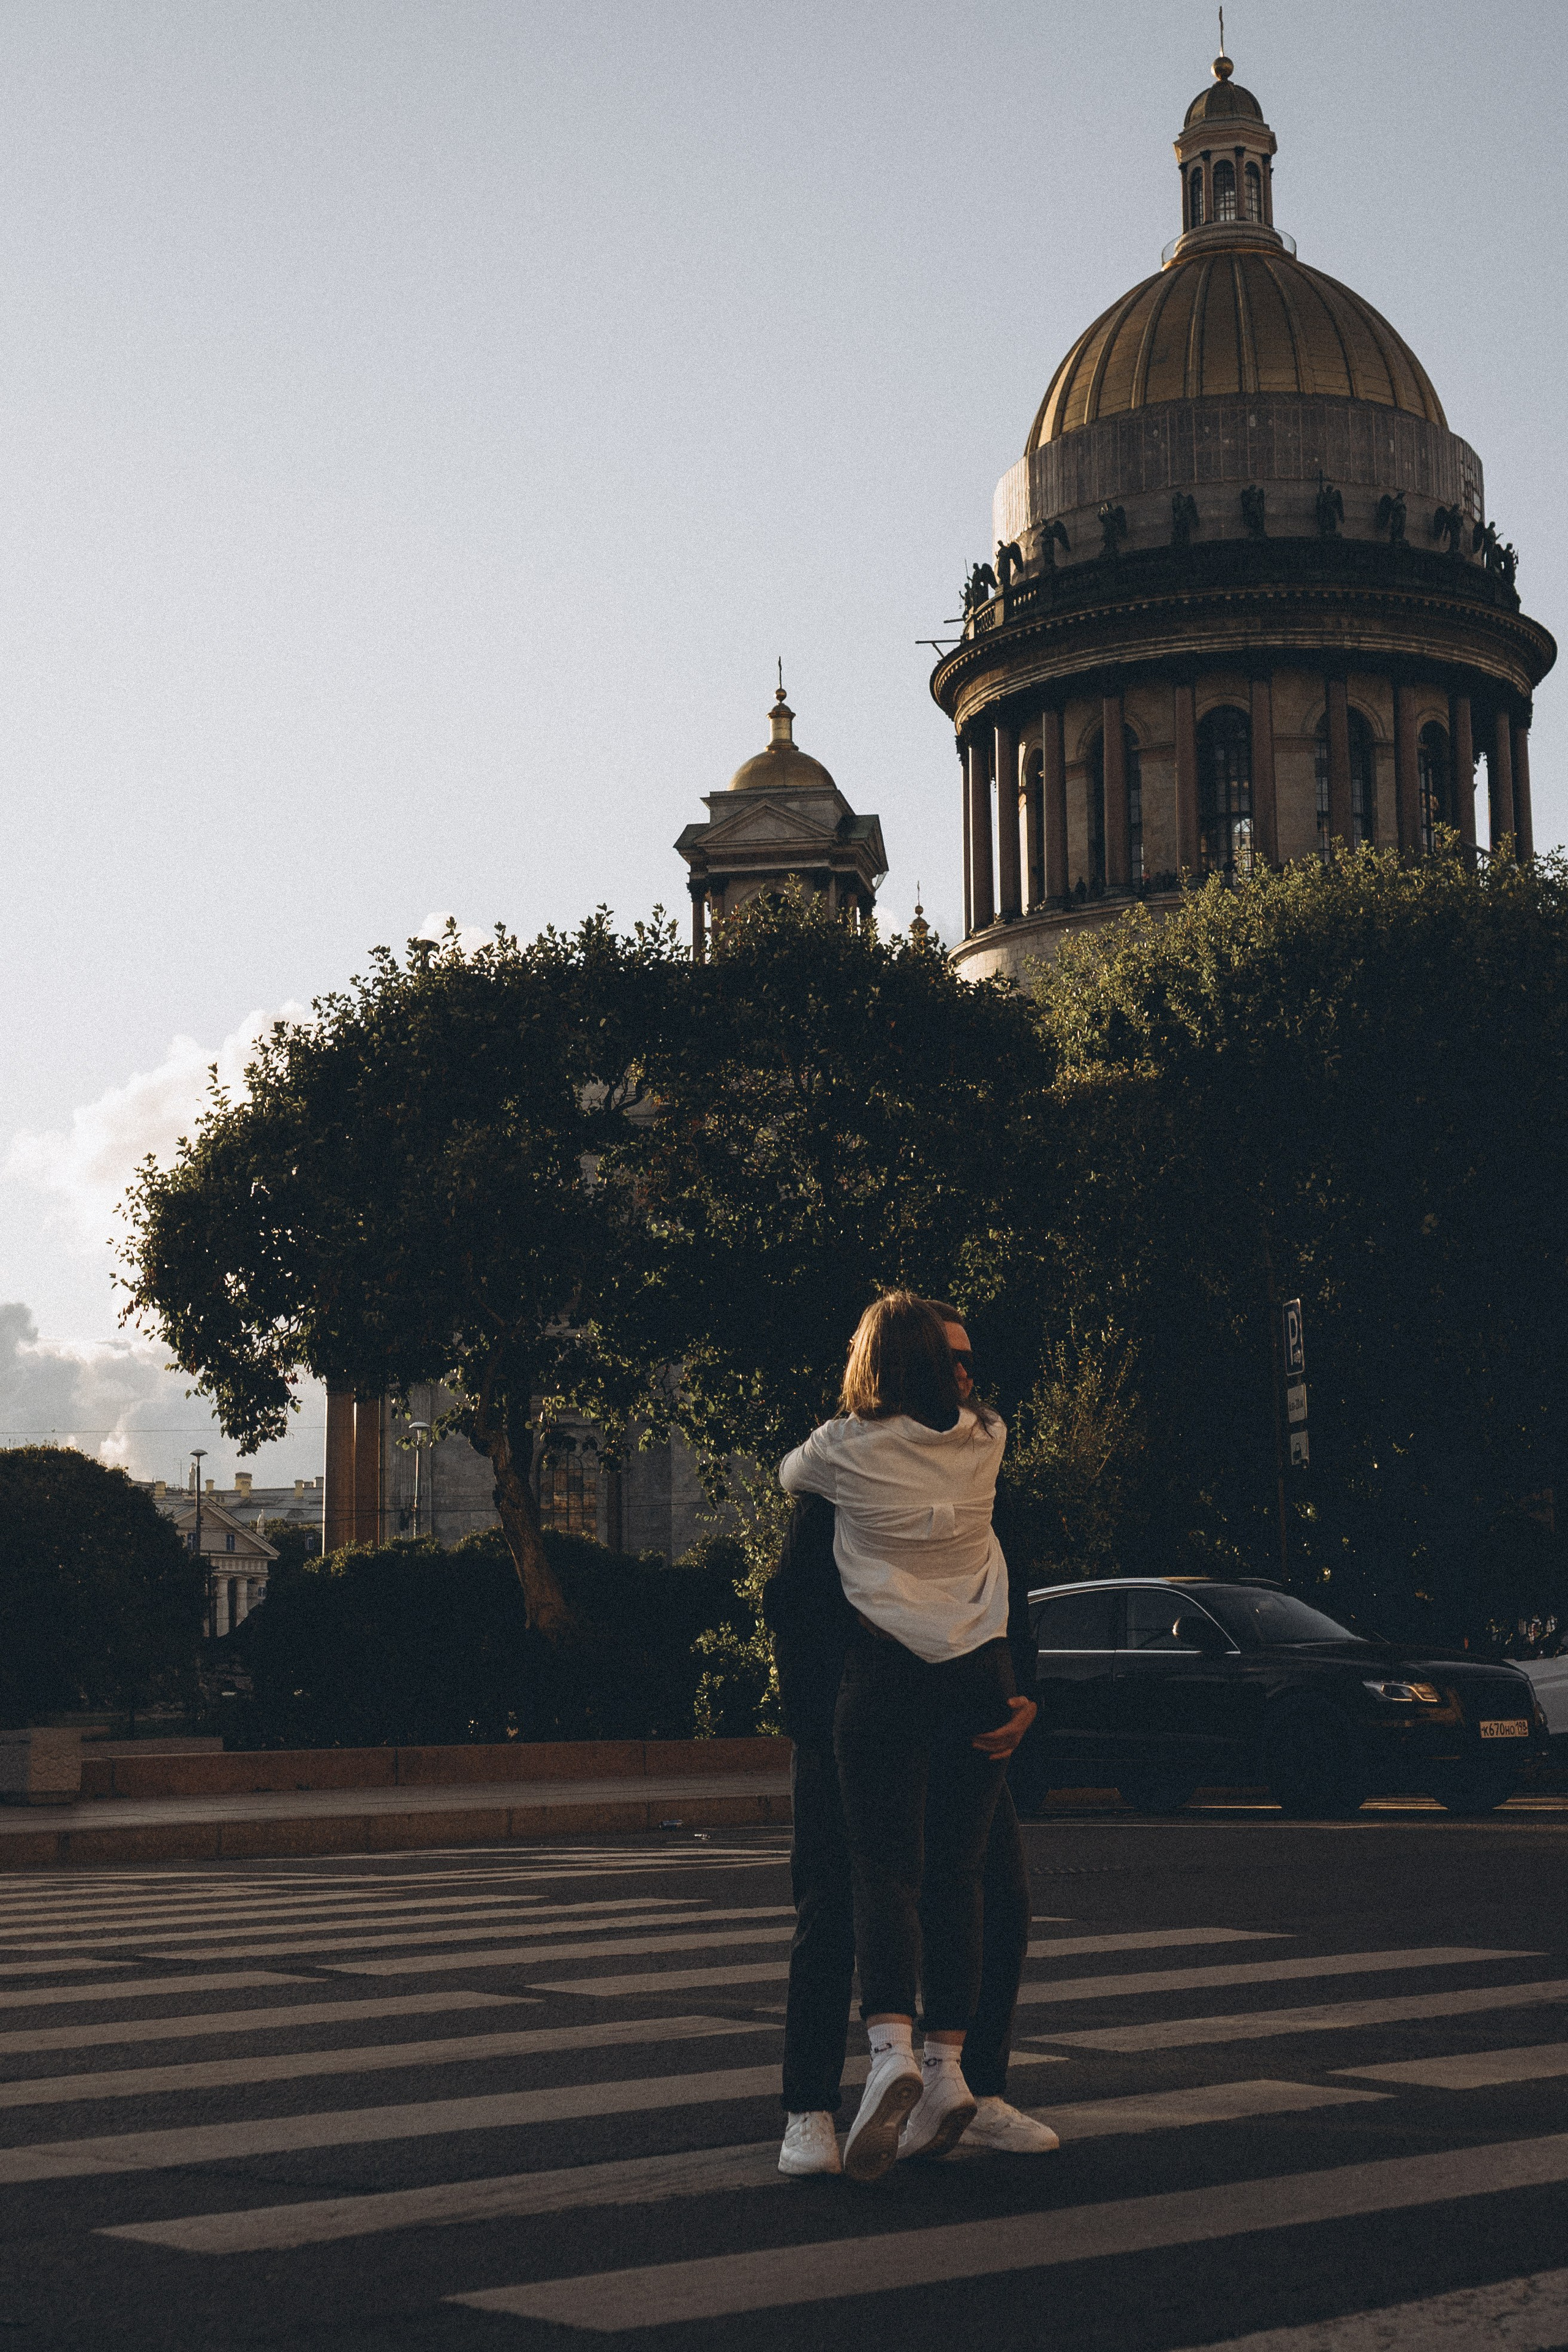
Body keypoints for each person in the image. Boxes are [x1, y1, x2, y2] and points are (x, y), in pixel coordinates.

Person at [776, 1291, 1056, 2183]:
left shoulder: (969, 1457)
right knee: (836, 1905)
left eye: (972, 1356)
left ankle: (974, 2087)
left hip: (960, 1704)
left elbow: (1004, 1572)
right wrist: (823, 1728)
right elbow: (794, 1603)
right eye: (956, 1355)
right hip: (847, 1721)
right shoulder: (850, 1472)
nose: (970, 1370)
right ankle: (810, 2109)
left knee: (991, 1895)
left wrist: (1024, 1694)